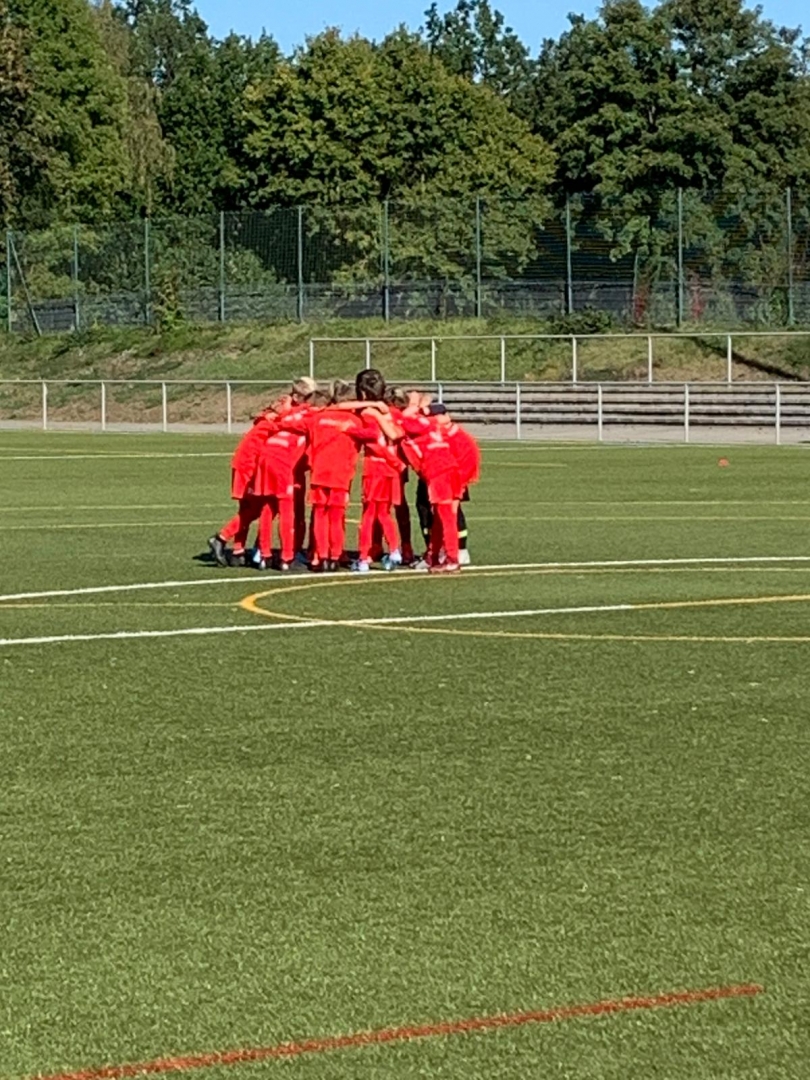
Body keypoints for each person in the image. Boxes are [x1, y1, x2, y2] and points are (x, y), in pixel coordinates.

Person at [280, 381, 399, 570]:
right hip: (341, 475)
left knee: (320, 515)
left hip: (319, 472)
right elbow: (375, 436)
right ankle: (335, 557)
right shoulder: (355, 421)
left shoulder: (317, 418)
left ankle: (321, 557)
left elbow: (287, 422)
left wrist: (289, 408)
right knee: (336, 517)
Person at [208, 404, 280, 566]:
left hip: (244, 465)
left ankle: (238, 551)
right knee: (256, 509)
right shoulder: (271, 423)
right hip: (248, 468)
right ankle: (221, 538)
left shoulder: (267, 421)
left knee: (247, 508)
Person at [399, 399, 462, 573]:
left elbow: (403, 420)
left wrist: (414, 406)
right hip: (449, 469)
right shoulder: (431, 423)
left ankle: (452, 558)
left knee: (446, 517)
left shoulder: (413, 425)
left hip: (438, 472)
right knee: (440, 518)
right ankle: (434, 556)